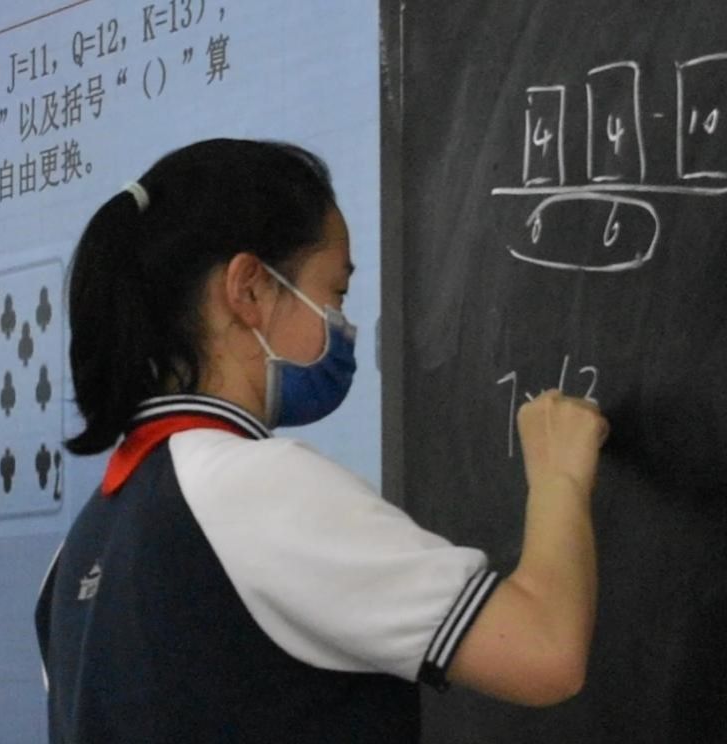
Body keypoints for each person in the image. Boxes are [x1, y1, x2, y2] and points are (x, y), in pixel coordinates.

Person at [34, 138, 608, 743]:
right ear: (249, 289)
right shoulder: (254, 487)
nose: (344, 325)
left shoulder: (78, 550)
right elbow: (544, 651)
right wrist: (559, 476)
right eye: (336, 293)